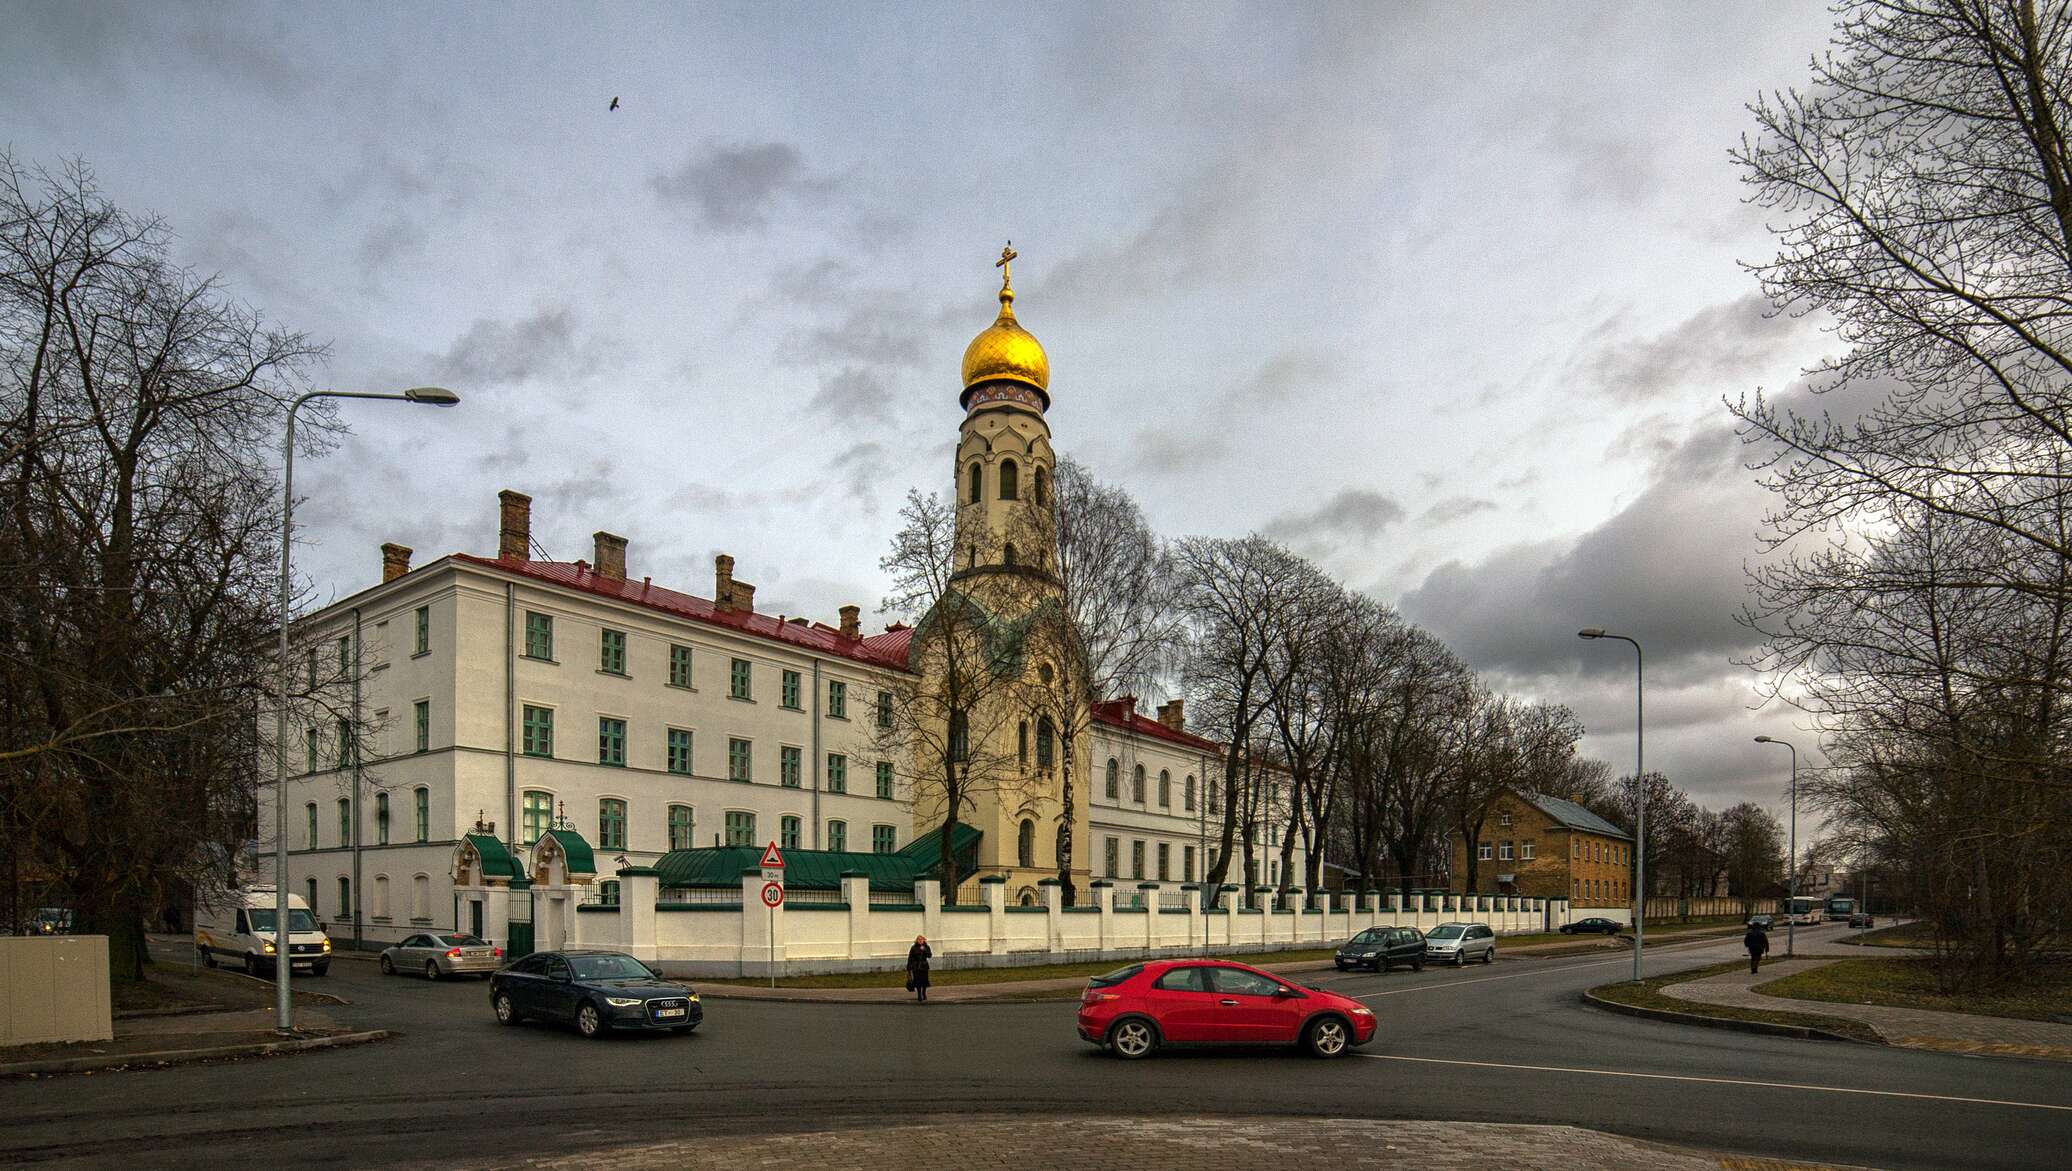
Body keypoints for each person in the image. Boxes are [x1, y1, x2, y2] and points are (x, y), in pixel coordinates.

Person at [906, 934, 932, 1003]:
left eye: (921, 940)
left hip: (924, 966)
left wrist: (924, 950)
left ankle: (924, 993)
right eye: (918, 939)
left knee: (924, 981)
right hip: (916, 966)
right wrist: (909, 967)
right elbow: (910, 957)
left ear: (924, 940)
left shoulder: (926, 947)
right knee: (918, 981)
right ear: (916, 940)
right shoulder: (914, 948)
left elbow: (929, 955)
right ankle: (919, 995)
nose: (920, 941)